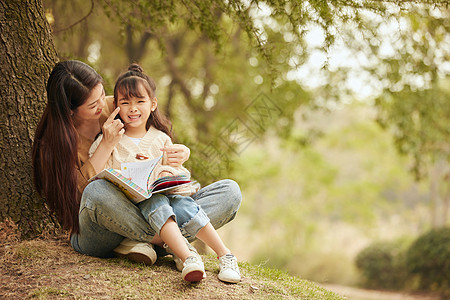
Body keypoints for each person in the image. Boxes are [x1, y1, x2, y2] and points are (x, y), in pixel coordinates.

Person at [31, 60, 241, 282]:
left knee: (230, 192)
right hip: (103, 224)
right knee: (98, 191)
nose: (104, 105)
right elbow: (84, 197)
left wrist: (180, 155)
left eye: (103, 94)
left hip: (150, 206)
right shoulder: (53, 144)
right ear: (70, 111)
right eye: (93, 105)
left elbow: (153, 134)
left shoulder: (120, 105)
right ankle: (176, 243)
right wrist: (106, 145)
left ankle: (150, 243)